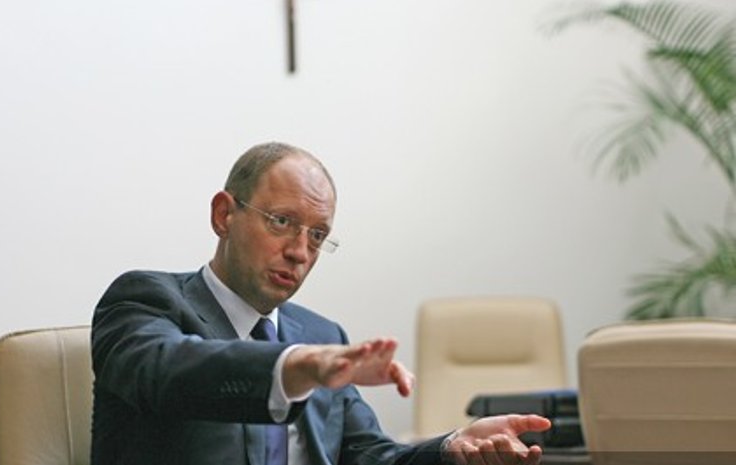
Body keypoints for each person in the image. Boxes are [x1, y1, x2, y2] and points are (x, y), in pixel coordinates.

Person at [90, 142, 551, 465]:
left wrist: (450, 449)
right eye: (281, 221)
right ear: (224, 215)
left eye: (317, 236)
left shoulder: (321, 336)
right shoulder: (146, 301)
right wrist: (296, 367)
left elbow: (372, 457)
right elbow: (171, 373)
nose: (299, 251)